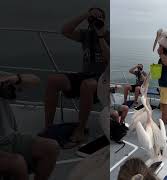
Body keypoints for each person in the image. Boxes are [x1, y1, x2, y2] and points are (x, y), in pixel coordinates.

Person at [44, 7, 109, 148]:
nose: (96, 21)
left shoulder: (108, 36)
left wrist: (100, 35)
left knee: (87, 85)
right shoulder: (85, 35)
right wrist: (86, 15)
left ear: (104, 20)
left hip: (103, 79)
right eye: (93, 18)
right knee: (53, 80)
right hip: (85, 75)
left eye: (99, 18)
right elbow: (65, 31)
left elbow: (109, 59)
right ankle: (48, 127)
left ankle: (80, 131)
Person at [0, 73, 60, 180]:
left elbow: (35, 80)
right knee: (17, 163)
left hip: (9, 138)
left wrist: (16, 79)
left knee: (51, 147)